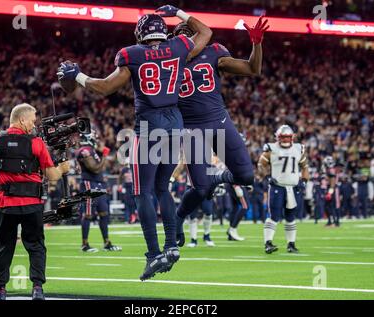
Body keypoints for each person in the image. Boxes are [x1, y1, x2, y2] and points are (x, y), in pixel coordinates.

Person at [57, 5, 212, 280]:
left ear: (140, 34)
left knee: (143, 192)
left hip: (150, 125)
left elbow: (104, 87)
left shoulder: (132, 54)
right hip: (175, 121)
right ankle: (172, 245)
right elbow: (206, 32)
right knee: (162, 188)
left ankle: (154, 254)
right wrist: (179, 12)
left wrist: (78, 76)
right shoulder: (178, 46)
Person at [171, 17, 269, 246]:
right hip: (191, 130)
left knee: (246, 177)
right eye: (182, 35)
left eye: (191, 35)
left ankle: (219, 177)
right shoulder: (168, 61)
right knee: (201, 188)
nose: (188, 39)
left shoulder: (214, 52)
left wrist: (257, 44)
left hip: (219, 122)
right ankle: (178, 217)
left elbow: (253, 69)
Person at [0, 103, 70, 300]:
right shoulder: (36, 142)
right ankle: (37, 288)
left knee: (3, 246)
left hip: (5, 203)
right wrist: (63, 169)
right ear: (22, 119)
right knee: (36, 246)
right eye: (32, 120)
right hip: (31, 203)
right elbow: (52, 175)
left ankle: (0, 290)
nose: (34, 125)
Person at [257, 125, 309, 254]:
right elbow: (260, 164)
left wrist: (304, 181)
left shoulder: (298, 148)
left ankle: (291, 244)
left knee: (291, 217)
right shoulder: (271, 148)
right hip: (277, 187)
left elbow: (305, 167)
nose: (285, 140)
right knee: (274, 216)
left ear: (292, 137)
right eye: (283, 137)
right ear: (278, 137)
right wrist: (266, 176)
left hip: (293, 187)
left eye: (287, 137)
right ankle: (268, 243)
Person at [76, 130, 121, 252]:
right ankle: (85, 244)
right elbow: (95, 168)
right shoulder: (84, 151)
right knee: (89, 214)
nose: (96, 139)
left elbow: (101, 166)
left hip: (99, 184)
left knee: (104, 214)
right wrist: (104, 156)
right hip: (89, 183)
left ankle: (107, 243)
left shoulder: (93, 151)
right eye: (94, 137)